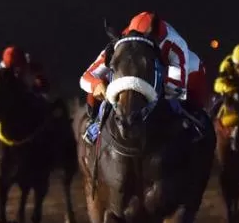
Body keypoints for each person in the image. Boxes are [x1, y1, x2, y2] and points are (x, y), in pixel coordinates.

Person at [80, 11, 208, 144]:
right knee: (99, 89)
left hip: (185, 73)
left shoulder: (175, 45)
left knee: (184, 105)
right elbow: (86, 78)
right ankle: (96, 122)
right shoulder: (123, 41)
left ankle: (195, 126)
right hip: (147, 71)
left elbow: (175, 90)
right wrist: (96, 84)